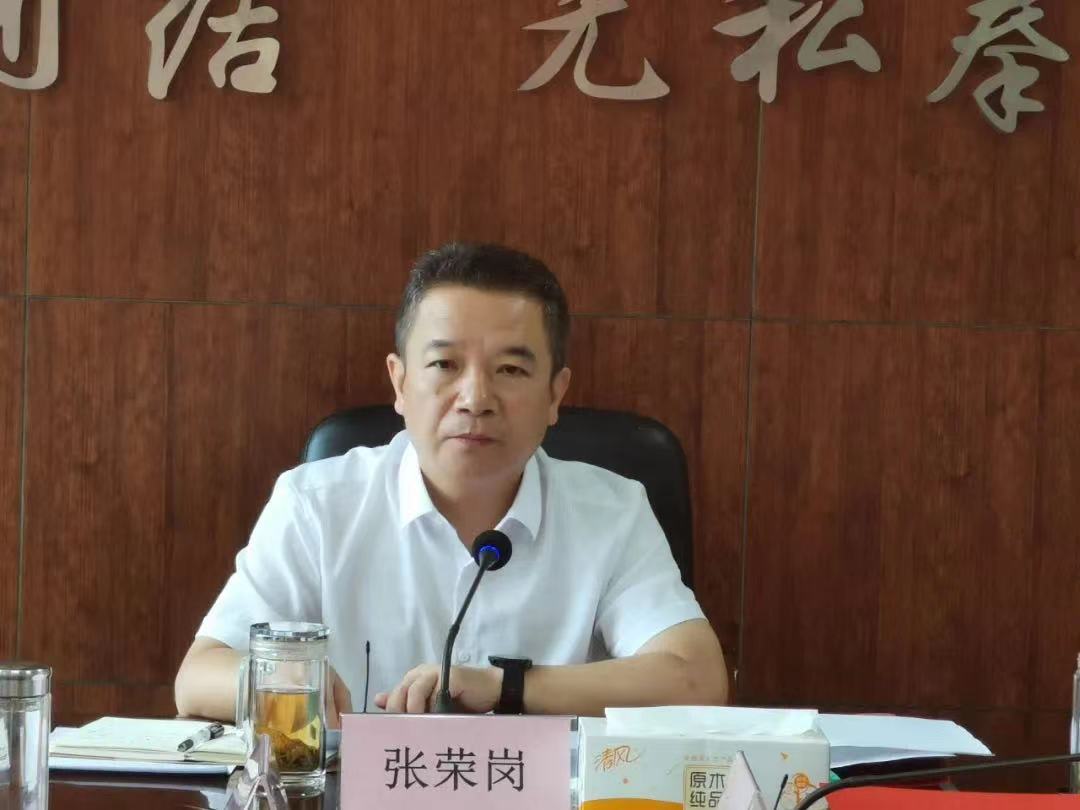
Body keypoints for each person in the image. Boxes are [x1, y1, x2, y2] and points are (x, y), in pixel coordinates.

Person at [174, 243, 728, 722]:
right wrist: (287, 684)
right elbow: (199, 676)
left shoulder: (612, 512)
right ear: (399, 382)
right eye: (444, 365)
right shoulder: (317, 504)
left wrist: (507, 687)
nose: (475, 398)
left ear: (555, 395)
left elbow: (696, 678)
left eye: (510, 370)